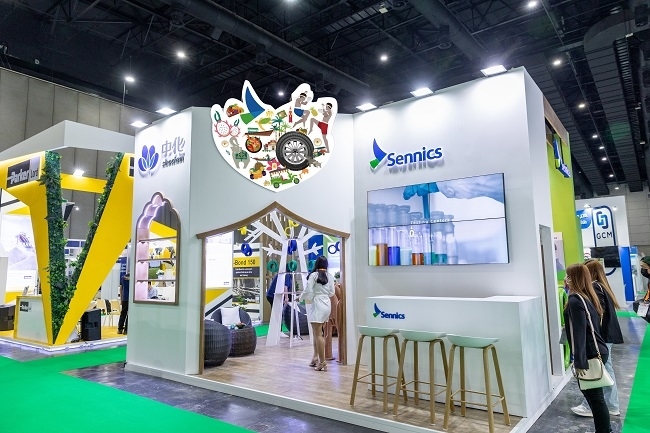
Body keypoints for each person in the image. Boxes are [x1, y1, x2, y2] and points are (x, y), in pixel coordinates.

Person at [571, 260, 623, 417]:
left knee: (600, 369)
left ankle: (596, 405)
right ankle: (609, 404)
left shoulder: (595, 287)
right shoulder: (602, 286)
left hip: (601, 336)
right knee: (605, 368)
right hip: (606, 334)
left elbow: (598, 312)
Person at [564, 263, 612, 433]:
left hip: (590, 354)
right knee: (595, 398)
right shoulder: (586, 296)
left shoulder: (575, 299)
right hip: (597, 350)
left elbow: (579, 333)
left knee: (595, 399)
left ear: (574, 278)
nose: (566, 279)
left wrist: (579, 361)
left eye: (569, 276)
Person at [299, 256, 335, 372]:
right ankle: (315, 357)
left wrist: (300, 298)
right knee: (317, 333)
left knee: (318, 334)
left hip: (317, 304)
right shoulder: (330, 276)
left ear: (317, 264)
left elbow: (307, 290)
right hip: (326, 305)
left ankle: (322, 362)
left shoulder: (313, 275)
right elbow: (332, 293)